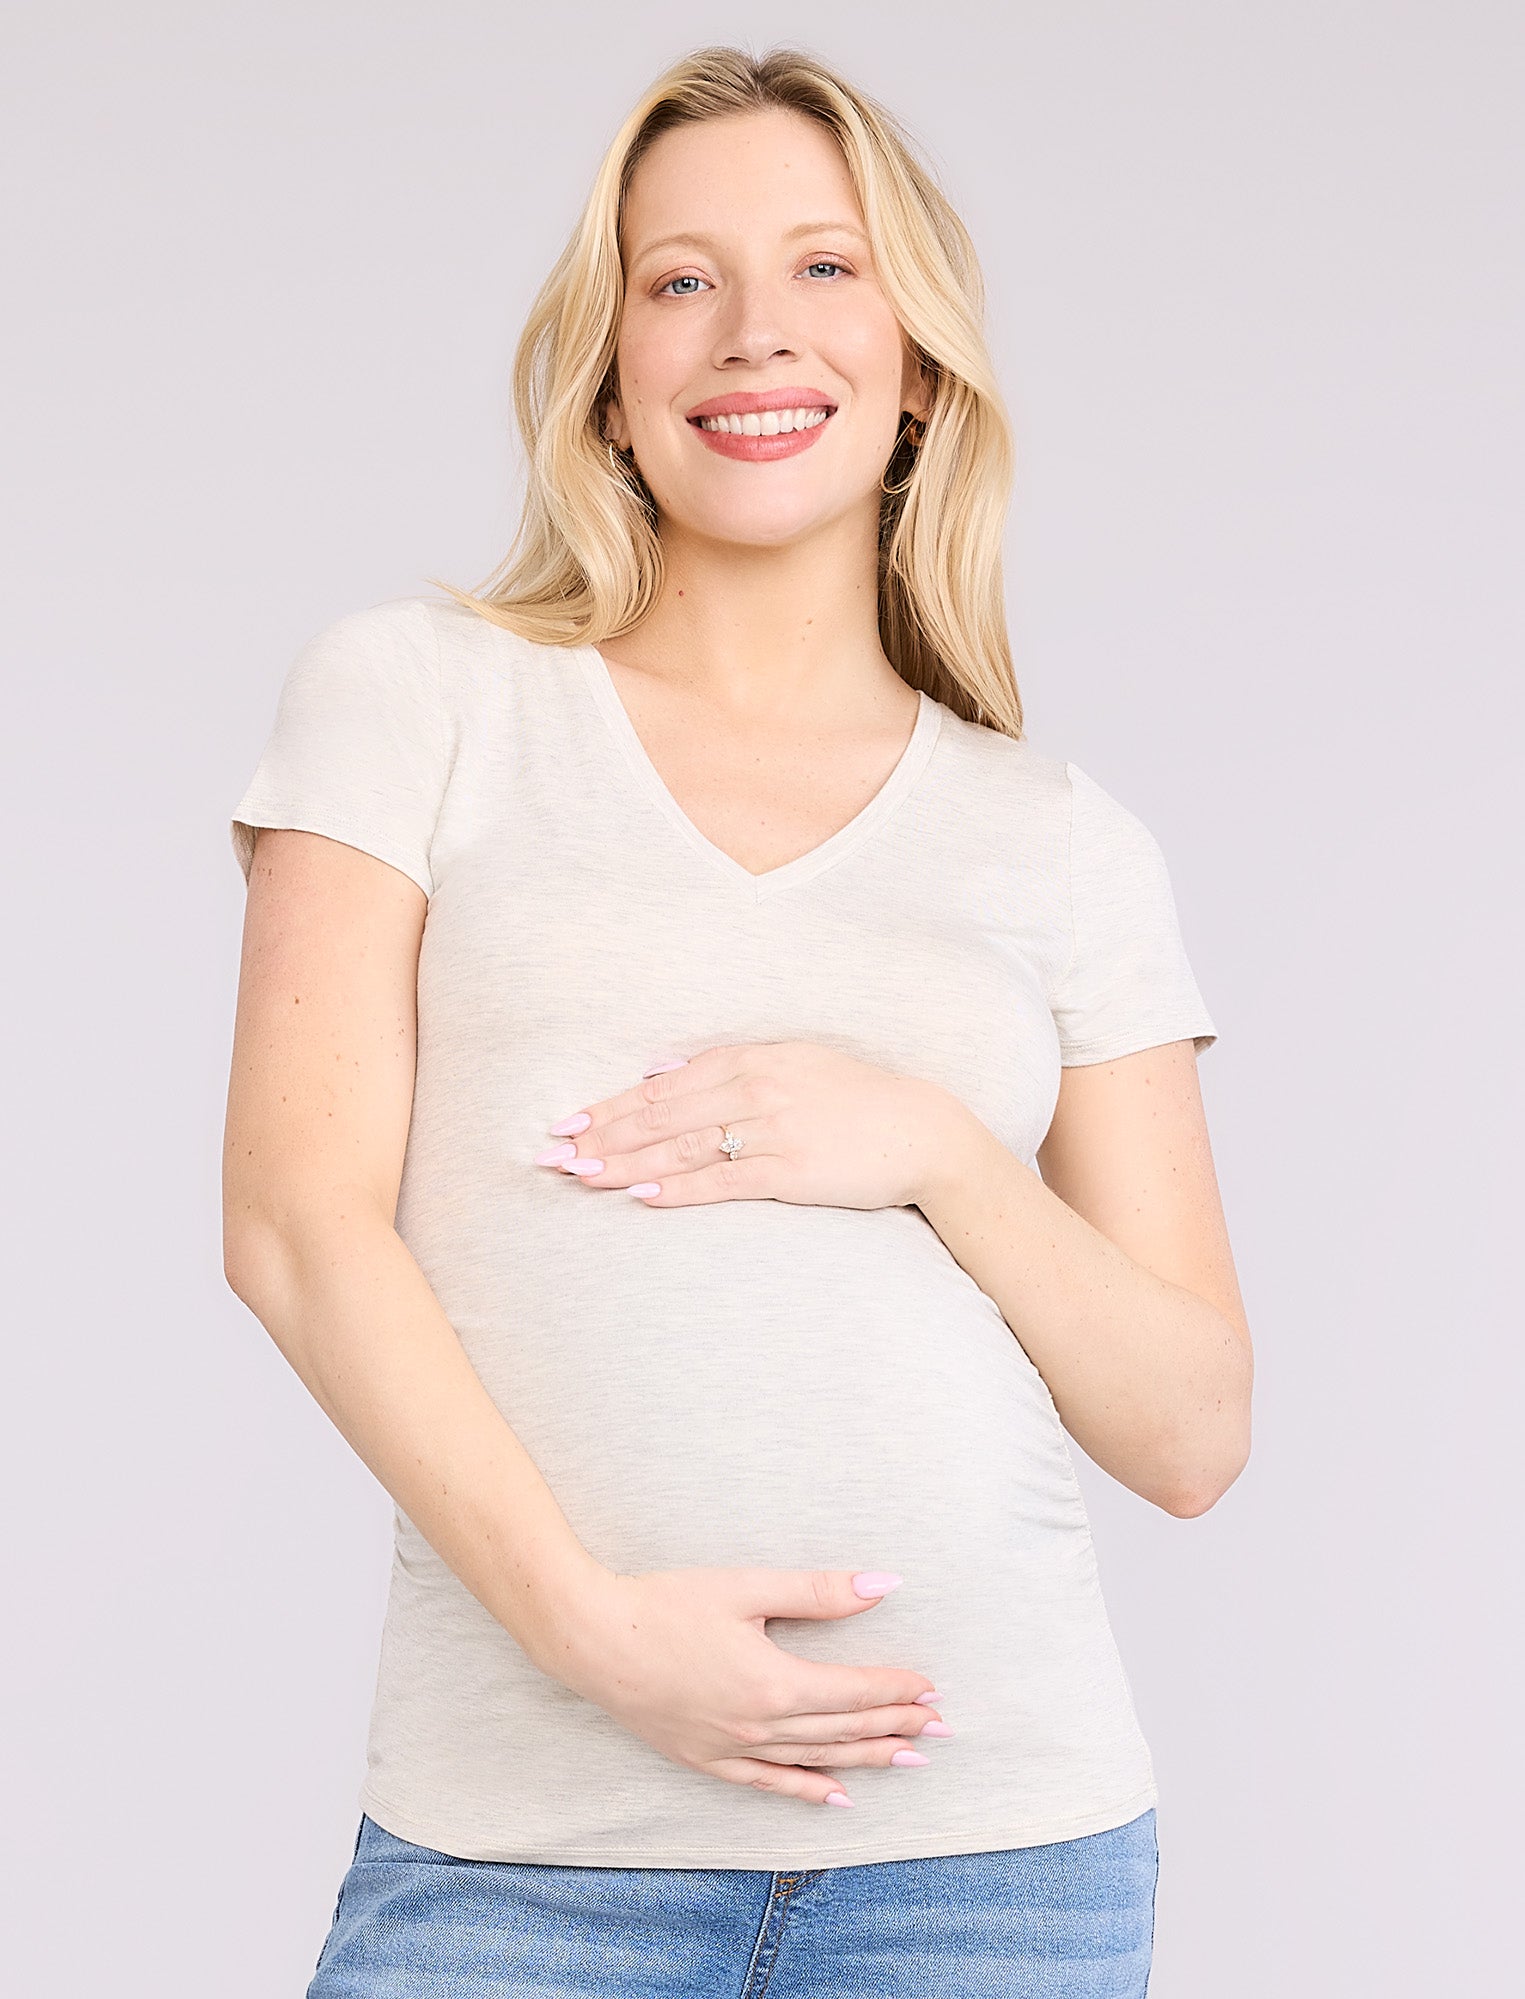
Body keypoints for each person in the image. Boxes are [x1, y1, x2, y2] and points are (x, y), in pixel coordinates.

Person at [223, 41, 1252, 1999]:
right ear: (610, 377)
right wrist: (594, 1633)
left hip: (991, 1869)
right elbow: (291, 1226)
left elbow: (1193, 1427)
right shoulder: (417, 700)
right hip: (525, 1858)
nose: (752, 333)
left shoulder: (1062, 840)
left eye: (825, 270)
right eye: (680, 279)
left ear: (921, 365)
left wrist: (938, 1147)